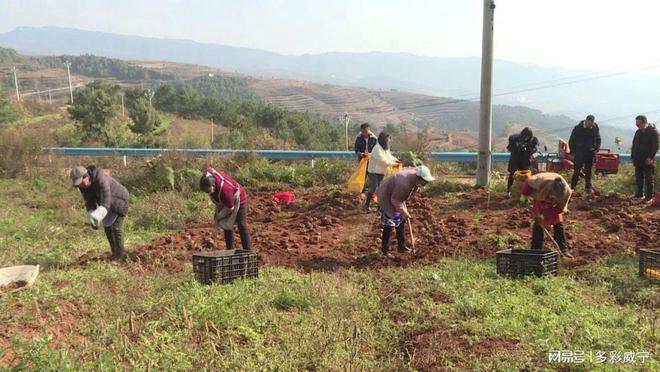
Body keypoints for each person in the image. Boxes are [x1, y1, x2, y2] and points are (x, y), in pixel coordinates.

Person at [70, 165, 130, 261]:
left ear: (86, 177)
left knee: (116, 228)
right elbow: (89, 201)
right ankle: (115, 253)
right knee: (107, 229)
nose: (80, 186)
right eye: (78, 185)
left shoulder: (101, 179)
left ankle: (120, 256)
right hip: (106, 204)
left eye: (81, 183)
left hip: (119, 200)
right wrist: (92, 217)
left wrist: (98, 215)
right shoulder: (83, 186)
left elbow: (106, 197)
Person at [376, 165, 435, 259]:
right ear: (419, 178)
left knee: (401, 219)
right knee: (389, 224)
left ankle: (401, 246)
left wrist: (403, 211)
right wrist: (403, 211)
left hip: (395, 195)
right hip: (386, 195)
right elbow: (395, 200)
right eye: (424, 181)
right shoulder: (404, 184)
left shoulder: (413, 178)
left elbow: (401, 197)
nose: (425, 184)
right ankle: (385, 251)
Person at [520, 172, 573, 258]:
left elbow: (559, 209)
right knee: (539, 223)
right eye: (551, 198)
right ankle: (536, 250)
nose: (552, 201)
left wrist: (546, 216)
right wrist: (524, 196)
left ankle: (563, 250)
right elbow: (527, 183)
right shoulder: (538, 182)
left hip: (551, 200)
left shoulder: (566, 193)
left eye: (554, 200)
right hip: (540, 193)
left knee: (558, 222)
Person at [199, 167, 252, 251]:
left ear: (213, 185)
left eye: (208, 190)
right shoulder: (211, 178)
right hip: (225, 201)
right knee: (227, 226)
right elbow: (209, 169)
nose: (207, 192)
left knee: (241, 224)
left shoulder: (225, 190)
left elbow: (230, 208)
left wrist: (219, 216)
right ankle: (230, 250)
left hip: (238, 198)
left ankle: (248, 250)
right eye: (205, 191)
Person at [365, 131, 401, 212]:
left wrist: (396, 160)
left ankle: (380, 206)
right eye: (388, 139)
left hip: (381, 171)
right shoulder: (377, 148)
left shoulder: (385, 148)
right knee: (374, 188)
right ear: (383, 139)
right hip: (373, 171)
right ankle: (366, 205)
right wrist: (393, 164)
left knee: (381, 189)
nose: (389, 141)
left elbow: (389, 156)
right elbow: (382, 160)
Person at [568, 115, 601, 193]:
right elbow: (571, 140)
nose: (591, 126)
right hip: (579, 152)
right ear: (586, 121)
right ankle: (573, 187)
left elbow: (598, 139)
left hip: (590, 152)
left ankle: (588, 187)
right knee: (577, 170)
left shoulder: (595, 128)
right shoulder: (578, 128)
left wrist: (597, 149)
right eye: (590, 124)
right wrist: (572, 152)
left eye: (592, 124)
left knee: (588, 171)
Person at [631, 115, 659, 201]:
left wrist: (650, 157)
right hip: (638, 158)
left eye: (639, 124)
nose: (637, 126)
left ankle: (649, 196)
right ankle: (640, 194)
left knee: (648, 178)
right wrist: (632, 156)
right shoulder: (638, 132)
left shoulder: (653, 132)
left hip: (648, 159)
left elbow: (655, 146)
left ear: (644, 122)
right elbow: (634, 144)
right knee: (639, 178)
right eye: (636, 124)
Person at [506, 127, 539, 192]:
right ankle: (509, 191)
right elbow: (510, 148)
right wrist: (517, 147)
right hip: (515, 160)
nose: (526, 138)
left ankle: (524, 192)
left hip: (525, 162)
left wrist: (528, 150)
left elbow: (535, 149)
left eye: (528, 136)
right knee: (512, 175)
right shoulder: (515, 139)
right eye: (525, 136)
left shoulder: (533, 141)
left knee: (525, 177)